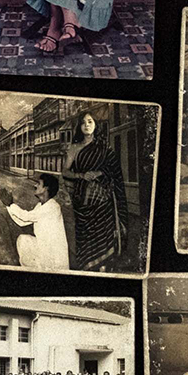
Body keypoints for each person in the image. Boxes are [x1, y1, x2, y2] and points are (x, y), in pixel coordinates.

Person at [61, 112, 129, 270]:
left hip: (102, 199)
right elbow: (65, 171)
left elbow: (115, 170)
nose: (86, 125)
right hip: (82, 199)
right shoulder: (74, 148)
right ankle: (89, 268)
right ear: (79, 126)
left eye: (90, 121)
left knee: (103, 235)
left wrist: (99, 172)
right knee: (85, 236)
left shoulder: (104, 148)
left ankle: (104, 267)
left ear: (96, 125)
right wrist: (82, 175)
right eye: (83, 122)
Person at [3, 174, 69, 272]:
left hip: (54, 256)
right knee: (23, 240)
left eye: (39, 184)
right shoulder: (40, 206)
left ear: (46, 188)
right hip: (45, 250)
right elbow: (22, 221)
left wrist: (10, 204)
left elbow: (25, 216)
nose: (35, 186)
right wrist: (9, 206)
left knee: (25, 241)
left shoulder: (53, 206)